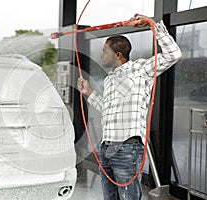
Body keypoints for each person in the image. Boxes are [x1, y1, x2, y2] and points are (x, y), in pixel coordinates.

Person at [77, 14, 181, 200]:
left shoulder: (141, 69)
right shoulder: (109, 79)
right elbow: (105, 109)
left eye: (104, 51)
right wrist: (89, 91)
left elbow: (173, 54)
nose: (101, 55)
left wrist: (152, 24)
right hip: (106, 147)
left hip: (128, 148)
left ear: (117, 54)